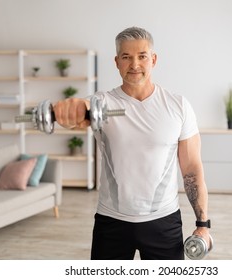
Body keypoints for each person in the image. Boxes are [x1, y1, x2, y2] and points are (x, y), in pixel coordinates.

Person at [54, 26, 211, 260]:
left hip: (163, 221)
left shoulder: (177, 106)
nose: (134, 64)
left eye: (142, 56)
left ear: (153, 60)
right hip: (112, 222)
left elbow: (191, 170)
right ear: (117, 62)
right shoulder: (101, 103)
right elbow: (80, 114)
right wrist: (71, 108)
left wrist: (203, 224)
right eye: (126, 57)